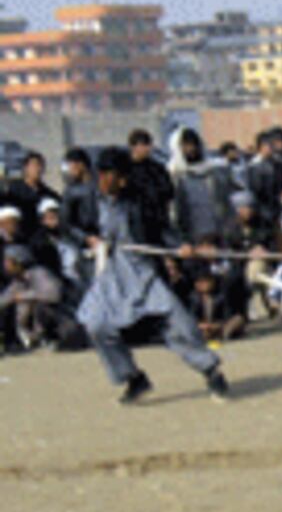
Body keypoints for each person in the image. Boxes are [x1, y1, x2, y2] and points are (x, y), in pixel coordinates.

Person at [76, 153, 229, 403]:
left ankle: (211, 371)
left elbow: (162, 230)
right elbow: (70, 225)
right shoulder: (91, 200)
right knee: (96, 323)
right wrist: (87, 238)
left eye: (108, 174)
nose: (101, 179)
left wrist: (180, 247)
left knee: (176, 322)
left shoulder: (141, 203)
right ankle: (132, 377)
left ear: (122, 179)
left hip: (143, 270)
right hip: (111, 273)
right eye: (99, 174)